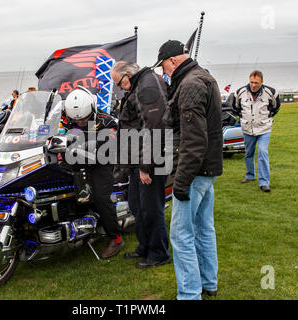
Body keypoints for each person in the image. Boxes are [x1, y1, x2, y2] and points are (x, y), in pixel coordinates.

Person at [154, 40, 223, 299]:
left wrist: (181, 182)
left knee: (181, 234)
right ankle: (208, 282)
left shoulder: (190, 84)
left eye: (163, 66)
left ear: (172, 60)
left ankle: (189, 294)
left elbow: (194, 140)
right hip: (207, 169)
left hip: (195, 171)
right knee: (204, 228)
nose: (163, 72)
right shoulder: (203, 77)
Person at [111, 61, 171, 269]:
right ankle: (145, 246)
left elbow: (154, 128)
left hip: (152, 160)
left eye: (119, 83)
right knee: (137, 206)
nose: (119, 88)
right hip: (140, 158)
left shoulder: (148, 86)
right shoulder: (140, 85)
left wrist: (147, 166)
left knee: (151, 208)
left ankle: (159, 253)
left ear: (128, 75)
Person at [63, 87, 124, 259]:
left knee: (100, 197)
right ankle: (86, 227)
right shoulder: (68, 118)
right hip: (78, 160)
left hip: (101, 162)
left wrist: (89, 146)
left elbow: (110, 143)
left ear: (92, 109)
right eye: (76, 120)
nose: (80, 122)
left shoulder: (107, 121)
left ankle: (116, 238)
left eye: (83, 119)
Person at [234, 70, 280, 192]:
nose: (253, 85)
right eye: (251, 82)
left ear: (262, 82)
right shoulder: (240, 92)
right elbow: (236, 108)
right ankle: (250, 175)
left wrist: (265, 118)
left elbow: (275, 108)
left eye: (256, 83)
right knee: (248, 153)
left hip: (264, 128)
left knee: (263, 153)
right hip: (247, 129)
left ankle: (264, 182)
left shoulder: (271, 92)